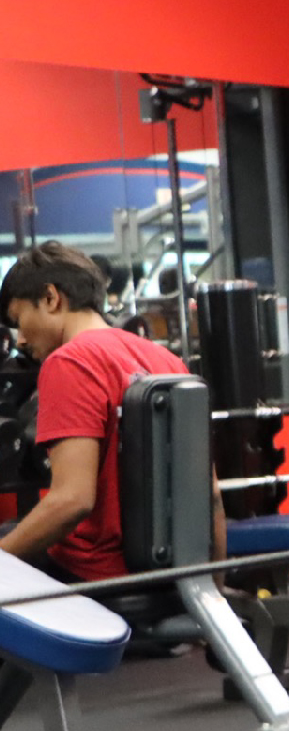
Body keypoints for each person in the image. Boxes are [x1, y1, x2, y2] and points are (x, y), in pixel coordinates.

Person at [0, 242, 205, 584]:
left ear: (51, 298)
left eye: (21, 320)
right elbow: (208, 494)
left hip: (90, 573)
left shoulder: (69, 362)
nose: (20, 339)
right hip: (169, 571)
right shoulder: (167, 362)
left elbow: (72, 500)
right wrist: (207, 592)